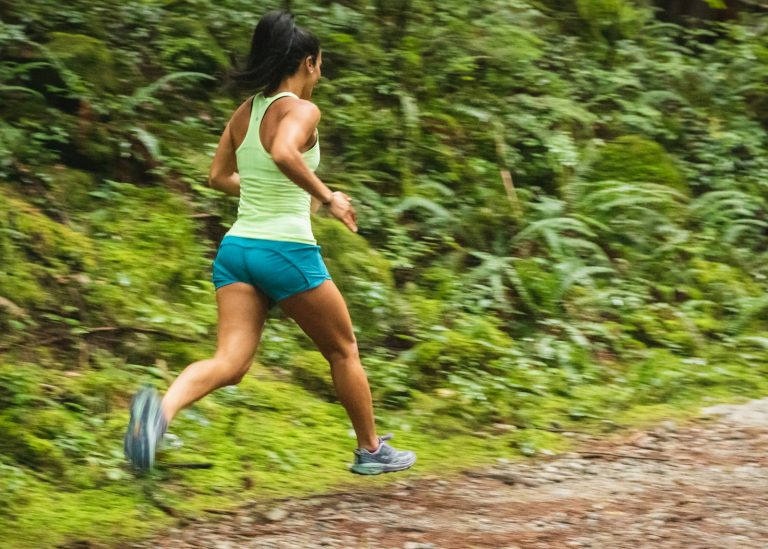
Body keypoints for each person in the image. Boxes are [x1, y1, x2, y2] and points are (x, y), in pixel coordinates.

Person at [123, 9, 416, 476]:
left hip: (237, 251)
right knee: (344, 350)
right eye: (320, 64)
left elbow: (217, 177)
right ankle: (371, 450)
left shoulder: (245, 111)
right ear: (306, 63)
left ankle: (157, 417)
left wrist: (271, 188)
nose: (320, 73)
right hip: (285, 250)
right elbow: (282, 151)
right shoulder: (302, 110)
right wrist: (329, 197)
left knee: (230, 362)